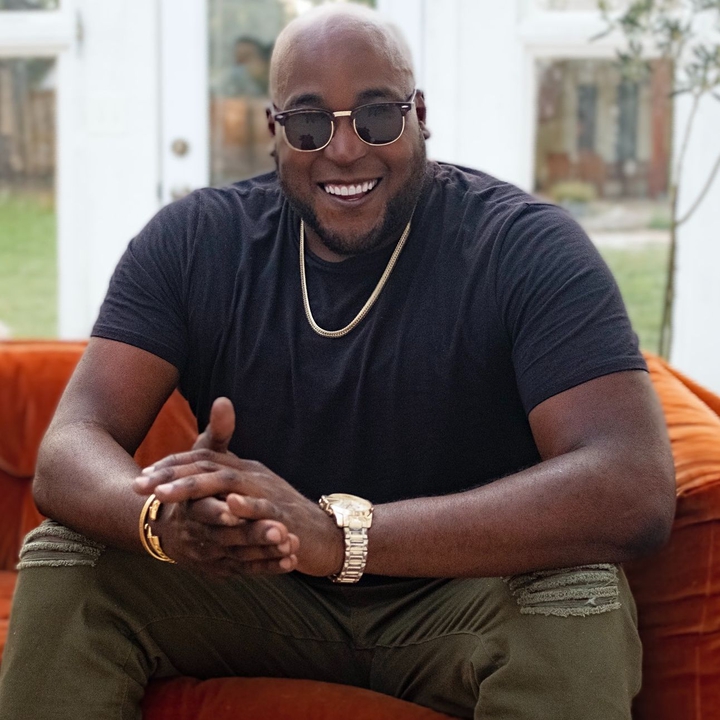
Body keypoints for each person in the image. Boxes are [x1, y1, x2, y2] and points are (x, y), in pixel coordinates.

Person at [0, 5, 676, 719]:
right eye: (309, 123)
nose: (345, 149)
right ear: (275, 132)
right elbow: (69, 448)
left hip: (462, 593)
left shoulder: (523, 247)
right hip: (259, 590)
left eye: (378, 116)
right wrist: (162, 521)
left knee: (578, 592)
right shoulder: (195, 243)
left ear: (419, 116)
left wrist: (342, 537)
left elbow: (631, 485)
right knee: (68, 555)